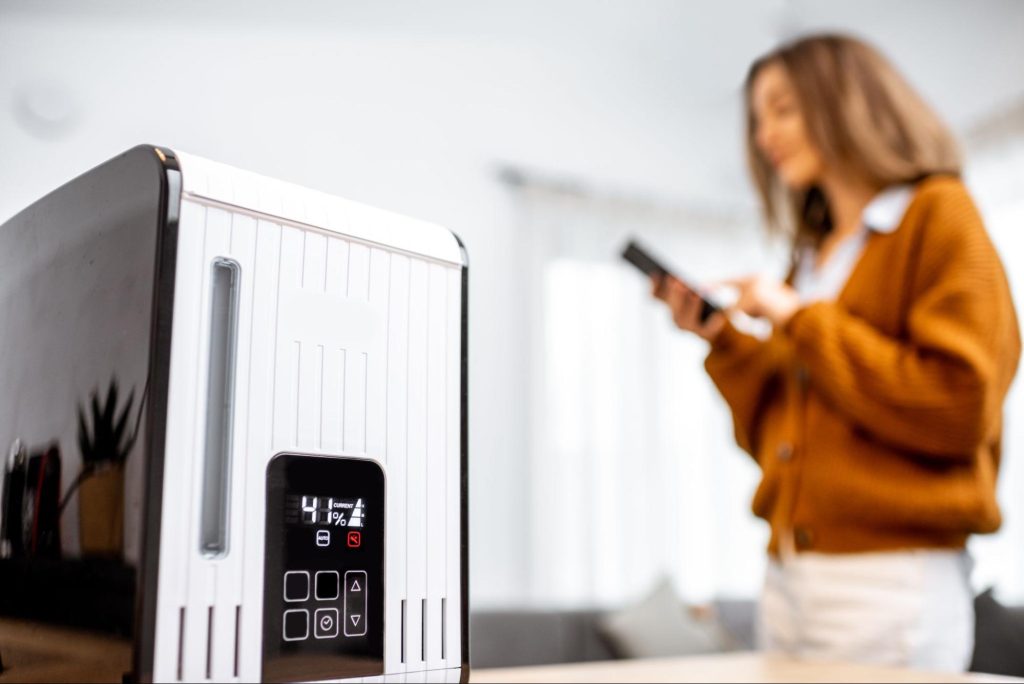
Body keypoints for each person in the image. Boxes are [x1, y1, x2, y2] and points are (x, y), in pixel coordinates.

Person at [652, 34, 1020, 671]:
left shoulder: (938, 214)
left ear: (846, 103)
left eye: (784, 109)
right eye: (759, 118)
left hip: (887, 583)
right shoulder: (814, 259)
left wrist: (798, 317)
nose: (766, 134)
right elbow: (781, 435)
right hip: (791, 576)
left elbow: (958, 407)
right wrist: (727, 344)